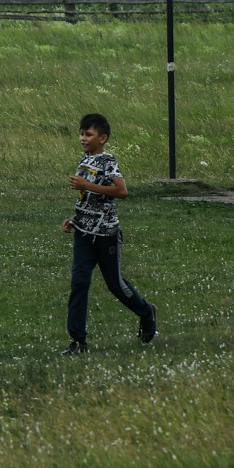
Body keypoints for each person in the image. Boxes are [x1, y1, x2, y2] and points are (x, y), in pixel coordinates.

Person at [61, 112, 156, 354]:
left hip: (106, 235)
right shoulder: (84, 160)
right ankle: (78, 342)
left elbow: (121, 191)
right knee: (79, 283)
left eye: (88, 134)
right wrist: (75, 218)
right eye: (81, 133)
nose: (83, 138)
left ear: (102, 138)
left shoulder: (108, 161)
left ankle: (146, 311)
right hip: (83, 233)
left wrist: (86, 185)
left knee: (116, 286)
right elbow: (90, 199)